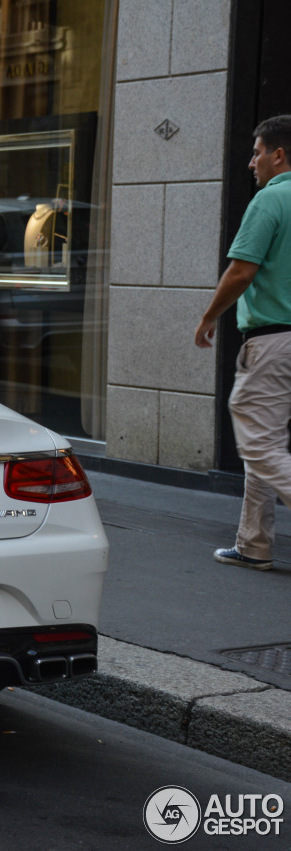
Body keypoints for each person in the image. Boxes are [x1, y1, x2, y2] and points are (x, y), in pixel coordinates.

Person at [194, 114, 291, 571]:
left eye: (256, 152)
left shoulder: (271, 199)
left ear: (279, 154)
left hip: (274, 339)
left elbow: (242, 271)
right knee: (266, 438)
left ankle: (254, 544)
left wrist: (209, 316)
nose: (251, 162)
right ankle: (254, 545)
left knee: (258, 445)